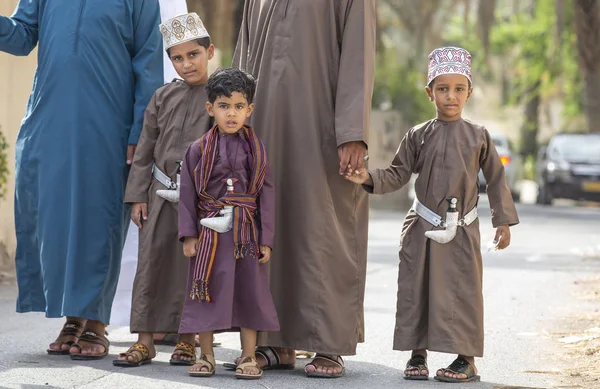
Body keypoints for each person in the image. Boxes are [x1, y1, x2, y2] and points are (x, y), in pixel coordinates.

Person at [344, 47, 520, 383]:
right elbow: (397, 174)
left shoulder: (478, 135)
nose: (450, 96)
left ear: (469, 92)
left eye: (458, 89)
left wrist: (503, 221)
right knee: (417, 288)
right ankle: (417, 355)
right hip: (421, 226)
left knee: (464, 292)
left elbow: (497, 179)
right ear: (430, 93)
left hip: (463, 228)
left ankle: (465, 360)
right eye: (442, 89)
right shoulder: (418, 135)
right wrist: (367, 177)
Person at [0, 0, 163, 359]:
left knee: (99, 216)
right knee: (52, 215)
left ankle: (95, 321)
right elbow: (22, 36)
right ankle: (72, 315)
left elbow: (149, 60)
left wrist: (141, 129)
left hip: (108, 118)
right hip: (51, 115)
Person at [231, 0, 376, 377]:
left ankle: (328, 343)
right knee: (268, 222)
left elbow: (359, 56)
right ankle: (273, 341)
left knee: (322, 226)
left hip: (320, 125)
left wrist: (353, 132)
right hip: (262, 123)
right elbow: (244, 54)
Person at [112, 12, 215, 368]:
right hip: (158, 193)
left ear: (210, 52)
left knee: (193, 268)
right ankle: (144, 341)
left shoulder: (220, 98)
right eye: (177, 57)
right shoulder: (161, 97)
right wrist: (138, 195)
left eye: (193, 55)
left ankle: (187, 341)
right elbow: (145, 149)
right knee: (150, 264)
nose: (186, 64)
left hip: (201, 199)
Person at [178, 67, 278, 379]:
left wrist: (266, 239)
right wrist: (188, 235)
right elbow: (187, 195)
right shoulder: (197, 150)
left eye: (238, 107)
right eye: (223, 106)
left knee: (249, 292)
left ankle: (248, 356)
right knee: (206, 289)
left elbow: (266, 195)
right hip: (210, 237)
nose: (231, 114)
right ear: (211, 109)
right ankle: (206, 355)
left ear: (249, 109)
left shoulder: (256, 150)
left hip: (246, 234)